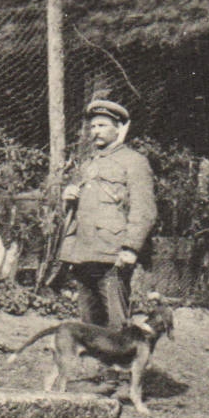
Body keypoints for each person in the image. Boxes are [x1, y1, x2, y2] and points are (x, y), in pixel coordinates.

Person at [58, 97, 157, 328]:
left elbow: (144, 210)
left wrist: (131, 248)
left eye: (102, 126)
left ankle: (117, 364)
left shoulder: (134, 162)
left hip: (113, 255)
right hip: (83, 252)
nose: (95, 131)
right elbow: (81, 210)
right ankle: (97, 363)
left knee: (117, 323)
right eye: (92, 126)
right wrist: (69, 198)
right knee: (89, 323)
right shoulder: (88, 164)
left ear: (118, 128)